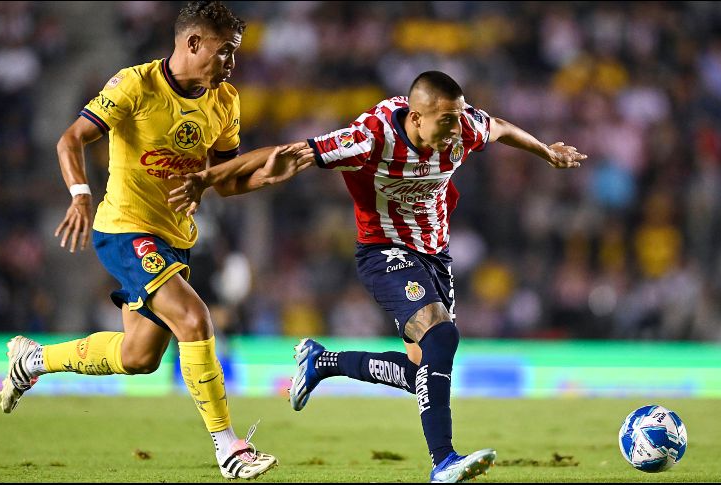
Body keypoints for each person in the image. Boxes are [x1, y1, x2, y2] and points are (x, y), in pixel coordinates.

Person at [168, 71, 586, 483]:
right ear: (416, 118)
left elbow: (498, 127)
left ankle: (323, 362)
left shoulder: (463, 128)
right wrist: (206, 179)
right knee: (442, 337)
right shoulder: (370, 137)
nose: (457, 128)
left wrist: (546, 152)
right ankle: (444, 461)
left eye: (459, 118)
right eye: (446, 120)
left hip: (434, 257)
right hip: (384, 252)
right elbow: (291, 151)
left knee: (420, 372)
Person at [0, 1, 307, 480]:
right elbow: (71, 139)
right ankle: (229, 449)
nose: (231, 64)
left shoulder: (225, 101)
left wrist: (268, 176)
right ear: (193, 43)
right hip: (125, 228)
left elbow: (223, 182)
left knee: (137, 357)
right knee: (195, 317)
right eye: (225, 52)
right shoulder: (135, 85)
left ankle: (32, 359)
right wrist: (80, 195)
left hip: (175, 238)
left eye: (235, 54)